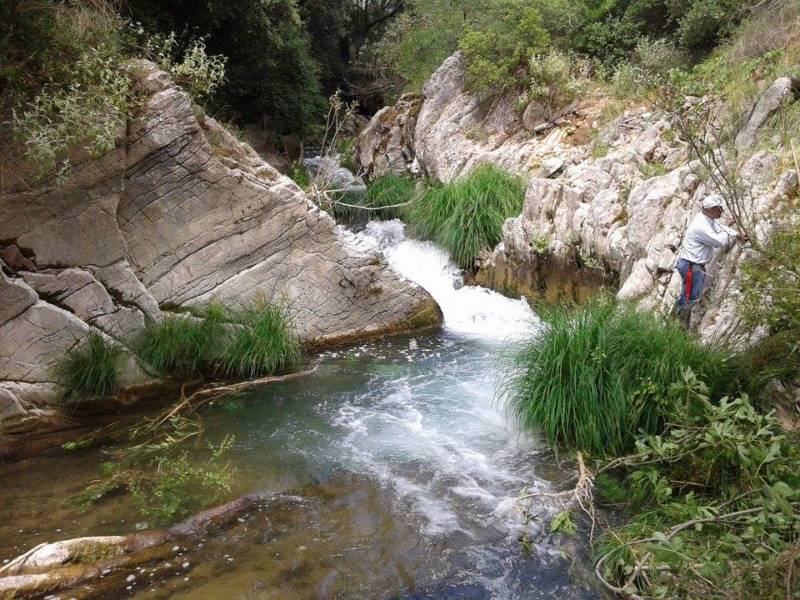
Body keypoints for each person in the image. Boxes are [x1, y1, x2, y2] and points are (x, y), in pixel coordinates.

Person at [674, 193, 748, 324]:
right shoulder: (700, 226)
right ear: (712, 209)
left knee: (688, 295)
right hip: (691, 266)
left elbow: (718, 228)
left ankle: (675, 322)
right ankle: (679, 328)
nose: (722, 211)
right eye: (720, 208)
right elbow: (718, 241)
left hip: (692, 265)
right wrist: (736, 234)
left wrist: (735, 233)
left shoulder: (706, 219)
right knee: (689, 297)